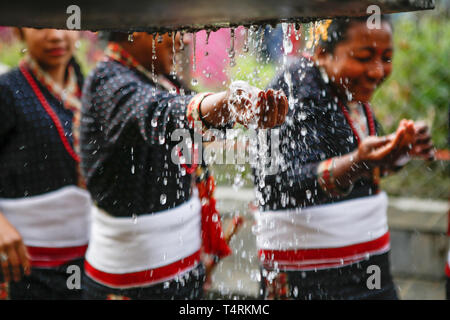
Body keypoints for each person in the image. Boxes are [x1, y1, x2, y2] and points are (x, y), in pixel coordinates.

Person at [80, 31, 288, 300]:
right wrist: (228, 103)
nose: (186, 40)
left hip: (185, 272)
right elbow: (163, 111)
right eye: (171, 29)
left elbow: (187, 114)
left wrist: (232, 107)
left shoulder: (158, 77)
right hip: (131, 287)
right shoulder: (107, 81)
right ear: (136, 26)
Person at [253, 16, 434, 300]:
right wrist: (356, 164)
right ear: (323, 54)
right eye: (364, 57)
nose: (377, 71)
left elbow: (367, 165)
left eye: (386, 58)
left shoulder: (349, 91)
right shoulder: (293, 86)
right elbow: (275, 182)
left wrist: (399, 151)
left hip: (370, 269)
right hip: (309, 280)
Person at [0, 28, 91, 299]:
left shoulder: (91, 89)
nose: (56, 36)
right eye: (40, 26)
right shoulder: (8, 91)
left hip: (89, 260)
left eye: (66, 23)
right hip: (23, 265)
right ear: (19, 31)